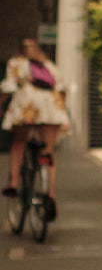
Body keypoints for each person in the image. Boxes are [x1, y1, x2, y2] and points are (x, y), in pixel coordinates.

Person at [2, 37, 68, 218]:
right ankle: (50, 194)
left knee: (19, 142)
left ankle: (14, 183)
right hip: (51, 106)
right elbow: (62, 88)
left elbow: (8, 87)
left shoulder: (17, 63)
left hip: (27, 106)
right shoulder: (49, 65)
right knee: (48, 150)